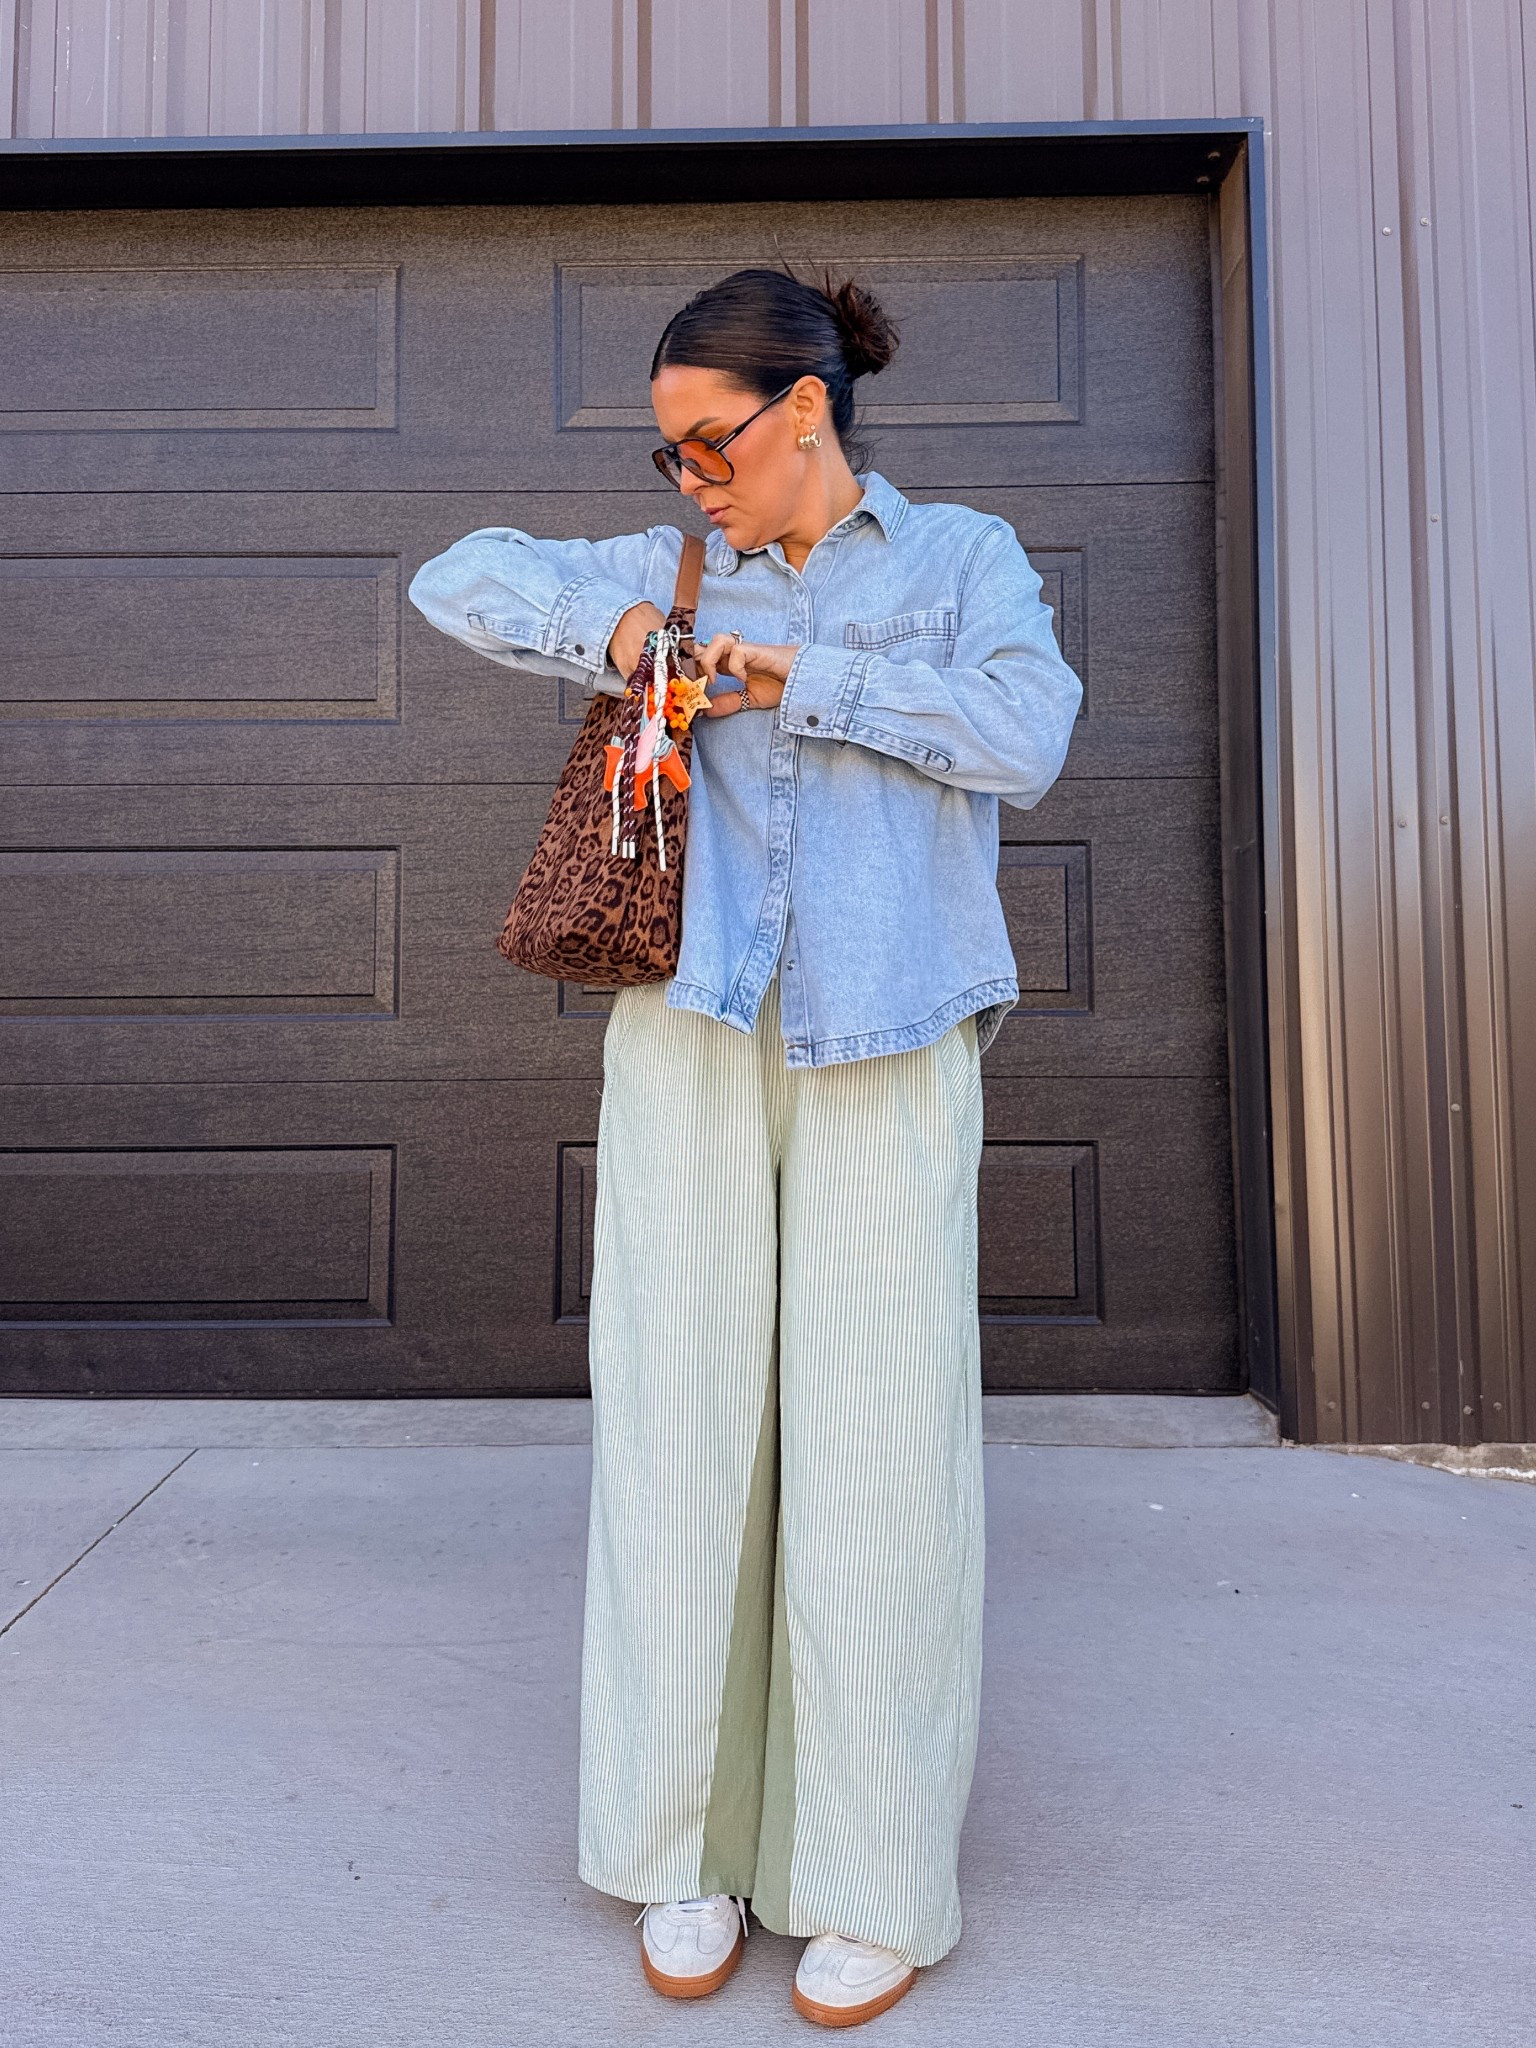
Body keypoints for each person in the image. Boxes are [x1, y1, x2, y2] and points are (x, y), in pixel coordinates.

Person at [409, 268, 1082, 2028]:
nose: (686, 477)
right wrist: (631, 641)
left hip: (895, 1040)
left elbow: (1030, 733)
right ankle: (680, 1848)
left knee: (879, 1456)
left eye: (708, 442)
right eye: (665, 451)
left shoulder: (960, 565)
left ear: (806, 411)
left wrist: (824, 681)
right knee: (682, 1428)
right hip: (696, 1034)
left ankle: (866, 1875)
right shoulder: (667, 567)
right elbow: (458, 573)